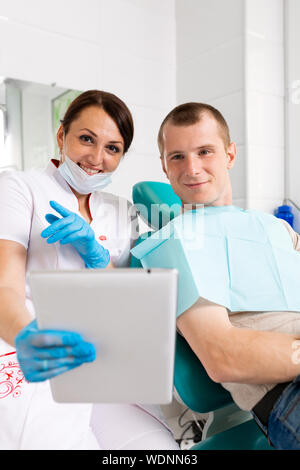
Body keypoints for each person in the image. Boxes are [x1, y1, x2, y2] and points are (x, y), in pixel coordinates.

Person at [0, 90, 179, 450]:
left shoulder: (120, 209)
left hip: (105, 361)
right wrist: (25, 336)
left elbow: (129, 297)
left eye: (112, 148)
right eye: (86, 139)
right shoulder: (19, 188)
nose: (96, 158)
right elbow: (5, 285)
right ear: (61, 135)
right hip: (40, 356)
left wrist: (100, 258)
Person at [152, 102, 300, 450]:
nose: (192, 168)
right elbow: (222, 358)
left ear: (230, 155)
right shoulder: (171, 246)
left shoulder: (276, 228)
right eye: (177, 157)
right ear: (164, 166)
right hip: (288, 394)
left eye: (205, 151)